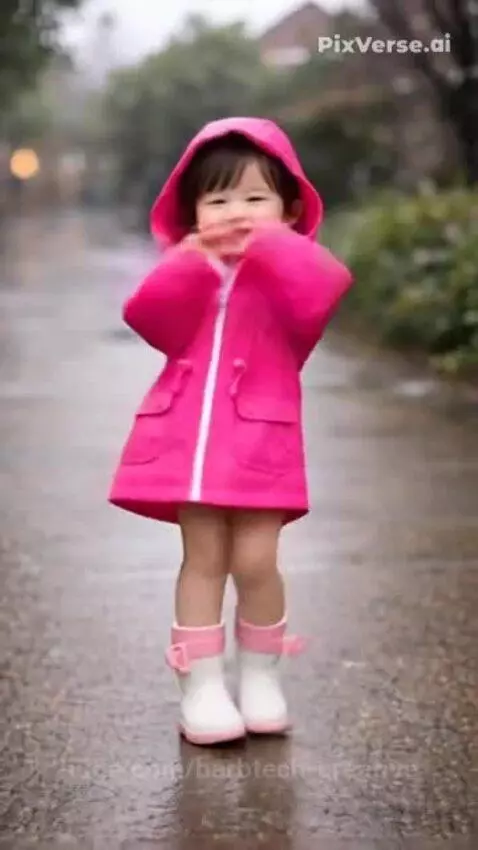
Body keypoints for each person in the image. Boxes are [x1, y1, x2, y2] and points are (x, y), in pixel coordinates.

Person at [109, 117, 353, 746]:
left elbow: (322, 293)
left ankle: (263, 676)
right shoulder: (193, 269)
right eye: (217, 200)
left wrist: (274, 247)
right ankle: (202, 687)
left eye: (255, 199)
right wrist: (191, 261)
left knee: (256, 559)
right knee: (204, 559)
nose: (236, 213)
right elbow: (149, 318)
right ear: (192, 211)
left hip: (261, 444)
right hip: (187, 444)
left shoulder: (287, 275)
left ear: (290, 208)